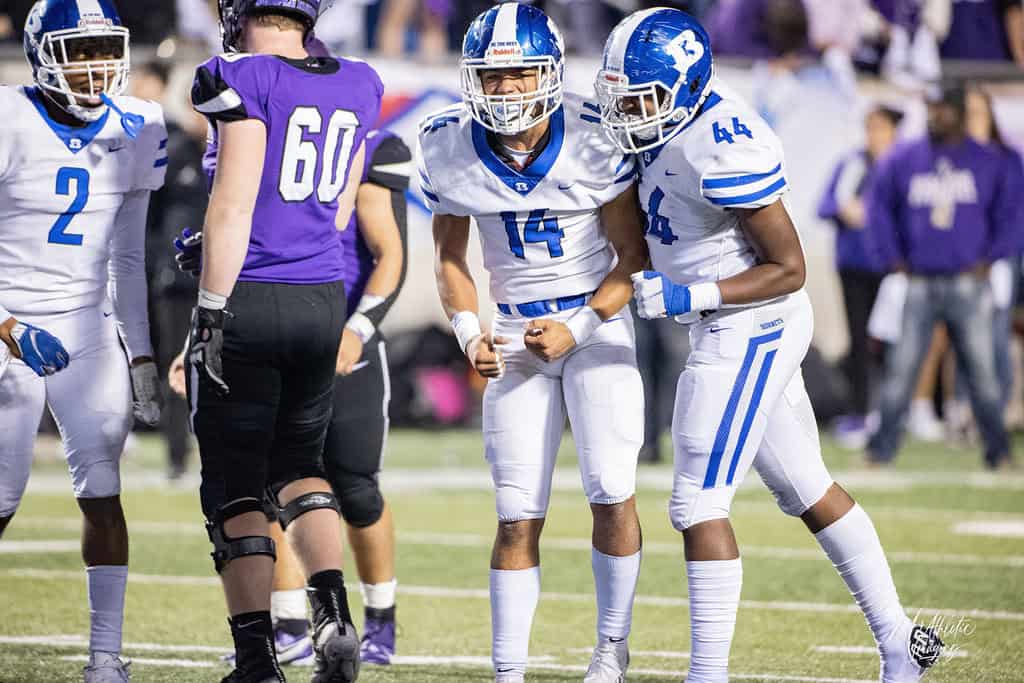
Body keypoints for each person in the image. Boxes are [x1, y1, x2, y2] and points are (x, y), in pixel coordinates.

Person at [596, 8, 944, 683]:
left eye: (642, 98)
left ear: (684, 87)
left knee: (697, 504)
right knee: (805, 485)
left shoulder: (721, 142)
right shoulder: (658, 126)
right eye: (622, 98)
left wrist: (688, 294)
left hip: (751, 323)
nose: (628, 113)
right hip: (726, 323)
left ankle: (708, 675)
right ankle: (901, 640)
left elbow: (789, 268)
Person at [421, 5, 648, 681]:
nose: (508, 89)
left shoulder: (595, 134)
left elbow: (632, 257)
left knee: (611, 488)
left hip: (594, 323)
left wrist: (579, 325)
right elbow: (450, 259)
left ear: (549, 72)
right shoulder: (449, 143)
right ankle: (508, 671)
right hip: (515, 332)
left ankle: (611, 647)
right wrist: (469, 333)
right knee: (516, 512)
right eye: (494, 76)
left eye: (520, 73)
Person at [186, 0, 382, 680]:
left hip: (251, 295)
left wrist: (210, 305)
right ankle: (334, 618)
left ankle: (256, 659)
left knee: (235, 485)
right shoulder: (359, 80)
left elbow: (235, 203)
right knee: (301, 465)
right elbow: (336, 208)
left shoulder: (239, 74)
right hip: (322, 295)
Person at [174, 126, 411, 667]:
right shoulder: (247, 143)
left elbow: (390, 254)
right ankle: (288, 624)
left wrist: (359, 329)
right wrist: (197, 338)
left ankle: (380, 617)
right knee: (262, 489)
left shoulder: (366, 143)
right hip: (259, 333)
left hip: (336, 332)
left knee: (354, 486)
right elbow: (230, 248)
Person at [0, 1, 166, 680]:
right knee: (2, 495)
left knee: (103, 488)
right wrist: (8, 327)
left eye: (104, 50)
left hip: (87, 324)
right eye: (79, 51)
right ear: (43, 54)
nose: (96, 67)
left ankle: (105, 658)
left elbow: (128, 256)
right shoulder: (7, 117)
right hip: (8, 319)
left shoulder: (139, 124)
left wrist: (142, 352)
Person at [866, 84, 1017, 471]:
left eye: (943, 109)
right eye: (932, 108)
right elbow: (879, 206)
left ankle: (998, 452)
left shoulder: (989, 159)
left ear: (959, 112)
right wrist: (892, 256)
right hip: (919, 280)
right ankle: (880, 451)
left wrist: (992, 255)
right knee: (901, 369)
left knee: (982, 372)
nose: (936, 116)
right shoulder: (905, 157)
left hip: (969, 281)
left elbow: (1012, 212)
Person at [133, 58, 207, 481]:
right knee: (177, 364)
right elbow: (148, 219)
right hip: (176, 280)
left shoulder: (237, 153)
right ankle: (178, 457)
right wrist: (153, 267)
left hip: (226, 278)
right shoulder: (172, 148)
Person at [817, 105, 902, 447]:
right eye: (870, 128)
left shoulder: (902, 164)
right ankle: (860, 412)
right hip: (853, 266)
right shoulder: (851, 163)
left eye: (881, 128)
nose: (874, 135)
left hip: (893, 268)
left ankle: (893, 411)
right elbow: (823, 205)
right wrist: (843, 208)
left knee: (893, 341)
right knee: (859, 341)